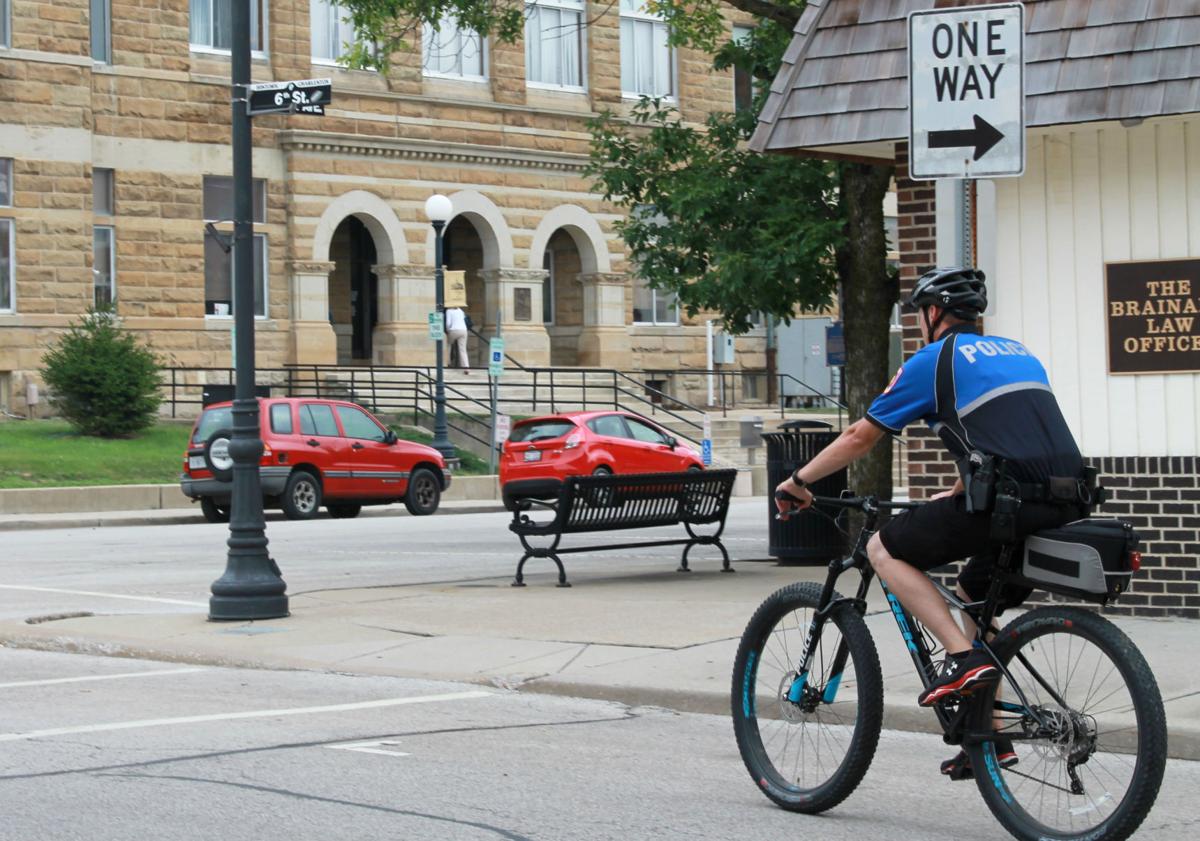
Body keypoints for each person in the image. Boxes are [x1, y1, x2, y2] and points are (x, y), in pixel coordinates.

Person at [774, 266, 1087, 778]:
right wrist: (962, 489)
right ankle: (989, 736)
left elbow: (859, 436)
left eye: (919, 311)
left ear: (934, 312)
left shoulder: (932, 360)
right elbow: (1004, 435)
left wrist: (800, 482)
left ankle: (964, 660)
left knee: (882, 548)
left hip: (1007, 502)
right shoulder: (1018, 353)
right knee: (971, 591)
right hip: (1066, 496)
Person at [444, 305, 470, 373]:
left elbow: (448, 323)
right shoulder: (461, 310)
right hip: (464, 330)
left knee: (448, 345)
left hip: (454, 330)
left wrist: (448, 331)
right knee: (463, 350)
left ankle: (448, 362)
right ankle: (466, 367)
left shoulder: (449, 311)